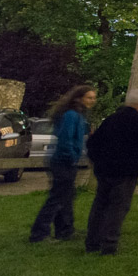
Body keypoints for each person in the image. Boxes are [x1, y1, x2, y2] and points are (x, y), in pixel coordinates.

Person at [84, 89, 138, 255]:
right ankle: (109, 244)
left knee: (100, 205)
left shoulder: (111, 119)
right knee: (118, 207)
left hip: (104, 170)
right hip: (126, 172)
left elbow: (93, 143)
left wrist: (97, 162)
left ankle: (92, 243)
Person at [29, 85, 96, 242]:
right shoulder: (71, 115)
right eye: (89, 97)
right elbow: (66, 139)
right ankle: (39, 233)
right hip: (63, 161)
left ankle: (65, 230)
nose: (92, 101)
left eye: (93, 97)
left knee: (67, 197)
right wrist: (72, 156)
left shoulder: (78, 115)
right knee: (57, 197)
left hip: (67, 160)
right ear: (79, 98)